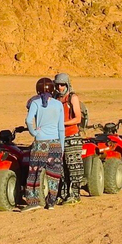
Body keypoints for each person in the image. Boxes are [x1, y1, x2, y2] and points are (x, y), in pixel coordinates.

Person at [21, 77, 65, 212]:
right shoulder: (58, 104)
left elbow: (28, 121)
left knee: (34, 172)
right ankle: (51, 202)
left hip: (40, 143)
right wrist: (61, 147)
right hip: (55, 143)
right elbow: (61, 128)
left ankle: (33, 201)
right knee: (54, 174)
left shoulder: (35, 103)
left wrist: (34, 132)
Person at [53, 73, 85, 204]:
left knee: (74, 166)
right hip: (58, 136)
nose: (60, 87)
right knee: (60, 167)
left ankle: (75, 195)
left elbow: (78, 118)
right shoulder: (55, 98)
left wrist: (62, 123)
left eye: (62, 85)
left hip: (72, 135)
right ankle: (63, 194)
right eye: (58, 85)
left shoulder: (72, 97)